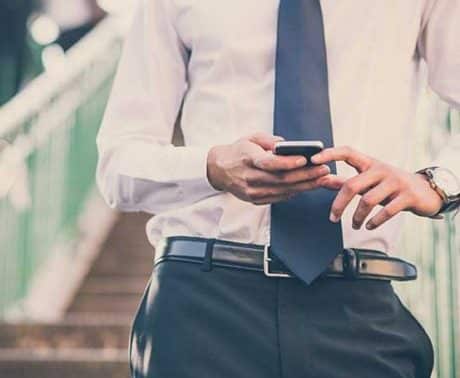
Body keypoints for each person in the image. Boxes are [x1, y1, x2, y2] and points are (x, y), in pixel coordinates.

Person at [96, 0, 460, 377]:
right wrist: (212, 167)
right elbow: (118, 164)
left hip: (358, 302)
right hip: (203, 304)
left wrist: (437, 183)